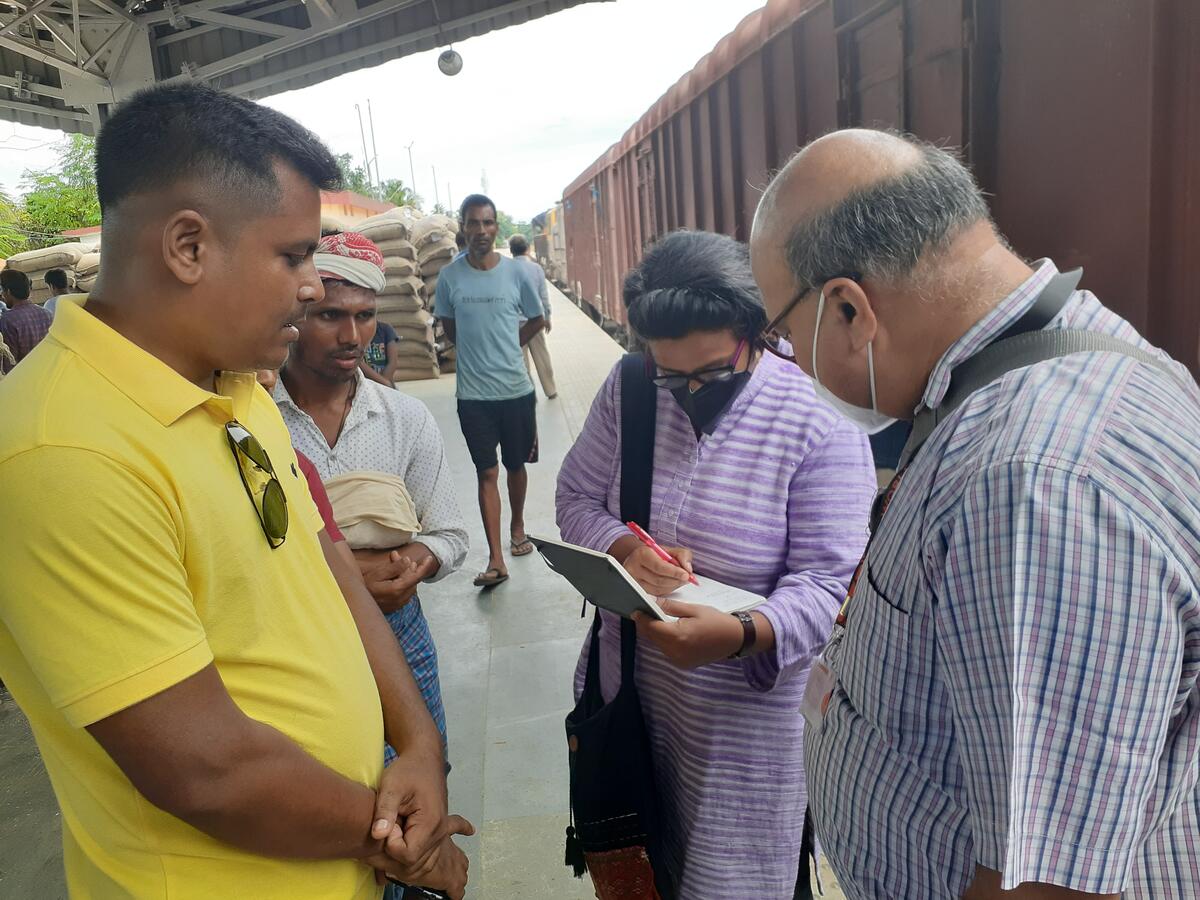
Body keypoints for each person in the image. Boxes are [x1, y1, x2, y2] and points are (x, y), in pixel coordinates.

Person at [0, 83, 472, 899]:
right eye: (291, 257)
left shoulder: (231, 382)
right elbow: (204, 770)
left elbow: (321, 559)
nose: (313, 287)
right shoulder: (61, 450)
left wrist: (419, 743)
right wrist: (405, 844)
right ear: (188, 246)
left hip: (344, 857)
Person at [750, 129, 1200, 900]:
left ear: (850, 310)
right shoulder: (1035, 368)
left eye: (784, 334)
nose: (789, 357)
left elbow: (1046, 883)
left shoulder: (1032, 486)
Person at [556, 230, 877, 899]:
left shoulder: (819, 418)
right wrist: (627, 550)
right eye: (670, 373)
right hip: (632, 706)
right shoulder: (634, 387)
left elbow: (827, 586)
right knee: (646, 872)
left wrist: (739, 635)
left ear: (754, 333)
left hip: (743, 738)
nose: (685, 391)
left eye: (709, 374)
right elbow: (577, 495)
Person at [274, 230, 469, 764]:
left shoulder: (403, 418)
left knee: (420, 772)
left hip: (399, 628)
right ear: (297, 313)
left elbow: (450, 535)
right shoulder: (254, 418)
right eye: (331, 316)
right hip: (297, 641)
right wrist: (342, 576)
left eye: (365, 316)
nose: (352, 335)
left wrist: (412, 564)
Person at [435, 194, 545, 588]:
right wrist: (476, 349)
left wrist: (508, 344)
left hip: (516, 391)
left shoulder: (517, 273)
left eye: (487, 223)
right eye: (473, 223)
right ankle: (497, 558)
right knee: (487, 472)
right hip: (474, 397)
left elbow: (538, 318)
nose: (480, 231)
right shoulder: (450, 277)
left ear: (496, 227)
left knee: (515, 466)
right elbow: (448, 327)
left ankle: (518, 525)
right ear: (463, 227)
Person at [509, 233, 557, 399]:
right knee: (542, 356)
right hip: (535, 321)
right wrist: (547, 317)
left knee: (521, 361)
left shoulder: (506, 269)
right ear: (528, 248)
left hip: (514, 324)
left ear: (511, 250)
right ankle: (551, 390)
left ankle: (528, 393)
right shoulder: (536, 268)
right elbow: (544, 296)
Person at [0, 268, 50, 372]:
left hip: (23, 376)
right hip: (46, 371)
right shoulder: (46, 313)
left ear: (8, 291)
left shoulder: (8, 320)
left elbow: (10, 361)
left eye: (2, 291)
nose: (2, 296)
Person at [363, 317, 401, 386]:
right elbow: (359, 364)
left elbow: (393, 362)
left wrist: (385, 380)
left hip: (386, 382)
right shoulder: (354, 333)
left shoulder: (385, 329)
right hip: (365, 385)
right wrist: (382, 382)